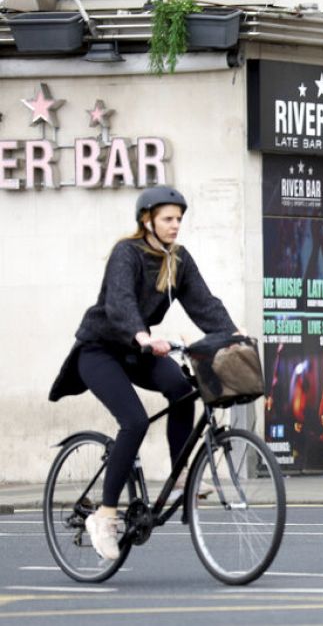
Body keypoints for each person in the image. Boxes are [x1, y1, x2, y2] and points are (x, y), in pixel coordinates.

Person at [48, 186, 238, 561]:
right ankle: (104, 515)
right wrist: (142, 334)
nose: (175, 225)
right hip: (100, 349)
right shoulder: (126, 253)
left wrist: (233, 335)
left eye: (179, 219)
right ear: (147, 220)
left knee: (183, 390)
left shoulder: (178, 260)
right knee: (134, 421)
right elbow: (119, 303)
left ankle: (181, 475)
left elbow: (205, 304)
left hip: (139, 351)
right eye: (168, 218)